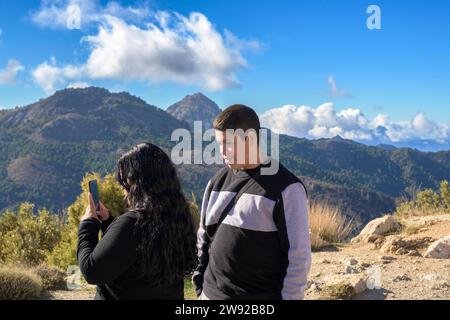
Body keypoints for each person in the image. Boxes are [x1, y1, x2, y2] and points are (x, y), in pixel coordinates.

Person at [192, 104, 311, 300]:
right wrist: (200, 289)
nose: (222, 151)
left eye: (227, 143)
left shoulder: (287, 188)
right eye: (219, 143)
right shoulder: (216, 183)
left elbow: (298, 258)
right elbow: (203, 239)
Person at [77, 142, 197, 300]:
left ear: (136, 182)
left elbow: (92, 271)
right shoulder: (178, 218)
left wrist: (88, 225)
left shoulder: (133, 224)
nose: (123, 189)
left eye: (125, 183)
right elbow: (133, 253)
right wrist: (109, 222)